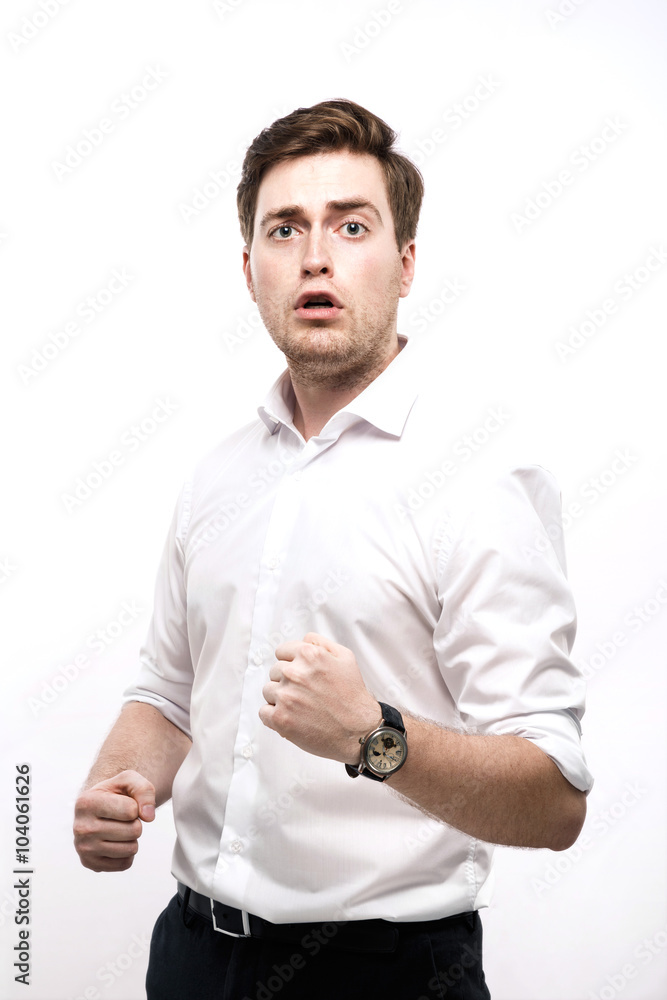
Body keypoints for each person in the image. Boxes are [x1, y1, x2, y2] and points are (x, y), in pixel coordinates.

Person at [73, 98, 593, 1000]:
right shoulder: (216, 474)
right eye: (285, 229)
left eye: (350, 225)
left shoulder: (478, 476)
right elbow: (166, 690)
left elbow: (554, 800)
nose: (315, 254)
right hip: (192, 956)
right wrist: (118, 786)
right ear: (250, 269)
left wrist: (372, 738)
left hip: (383, 975)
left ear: (405, 262)